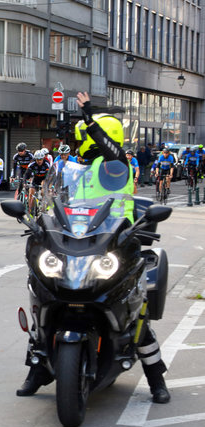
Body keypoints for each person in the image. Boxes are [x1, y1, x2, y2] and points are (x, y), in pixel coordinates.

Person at [16, 91, 170, 404]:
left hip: (118, 240)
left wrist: (88, 117)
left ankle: (156, 379)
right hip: (78, 239)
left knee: (135, 312)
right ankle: (38, 368)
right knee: (45, 295)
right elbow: (55, 199)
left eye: (84, 136)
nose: (80, 142)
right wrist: (41, 224)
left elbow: (108, 150)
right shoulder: (74, 167)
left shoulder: (115, 165)